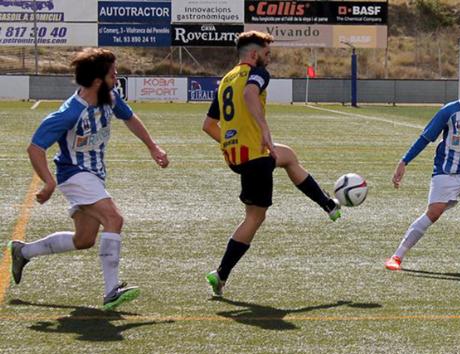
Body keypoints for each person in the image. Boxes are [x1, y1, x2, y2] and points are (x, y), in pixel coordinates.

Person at [8, 48, 169, 311]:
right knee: (114, 219)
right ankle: (111, 292)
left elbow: (130, 118)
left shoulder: (110, 98)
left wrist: (153, 146)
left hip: (93, 175)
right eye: (113, 74)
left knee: (84, 239)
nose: (116, 78)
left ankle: (22, 251)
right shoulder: (70, 113)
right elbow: (35, 148)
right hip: (74, 174)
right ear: (97, 81)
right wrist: (48, 182)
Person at [202, 31, 341, 297]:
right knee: (255, 217)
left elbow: (208, 126)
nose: (269, 58)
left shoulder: (225, 80)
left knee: (287, 156)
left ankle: (328, 204)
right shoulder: (257, 73)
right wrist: (264, 129)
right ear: (254, 55)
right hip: (254, 155)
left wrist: (229, 143)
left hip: (238, 155)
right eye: (267, 54)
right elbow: (250, 95)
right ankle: (220, 274)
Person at [384, 70, 460, 272]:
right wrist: (404, 161)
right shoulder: (449, 111)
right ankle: (397, 256)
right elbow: (426, 138)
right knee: (434, 212)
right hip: (446, 173)